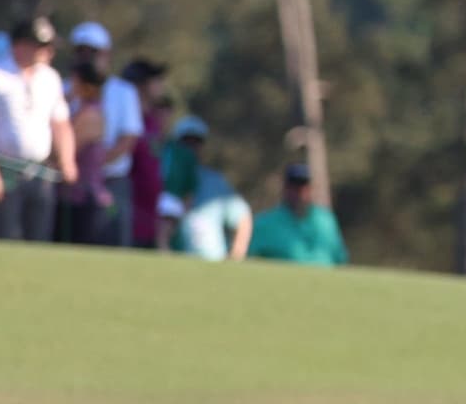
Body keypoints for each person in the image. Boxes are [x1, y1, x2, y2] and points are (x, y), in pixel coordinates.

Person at [0, 16, 79, 242]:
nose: (48, 51)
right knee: (5, 236)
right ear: (21, 45)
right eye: (42, 45)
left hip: (39, 171)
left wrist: (67, 159)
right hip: (4, 168)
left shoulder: (50, 78)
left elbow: (60, 123)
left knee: (39, 237)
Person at [62, 24, 137, 247]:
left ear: (106, 54)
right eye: (80, 51)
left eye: (92, 52)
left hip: (111, 182)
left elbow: (128, 140)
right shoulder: (64, 88)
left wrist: (93, 167)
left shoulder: (124, 91)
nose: (86, 58)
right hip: (72, 185)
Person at [164, 119, 250, 261]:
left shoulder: (215, 181)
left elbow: (242, 217)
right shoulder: (167, 178)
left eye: (196, 142)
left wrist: (236, 255)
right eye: (186, 142)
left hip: (213, 263)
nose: (191, 148)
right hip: (177, 261)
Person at [248, 160, 346, 266]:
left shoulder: (326, 220)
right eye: (294, 187)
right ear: (285, 188)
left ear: (311, 189)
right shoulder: (264, 224)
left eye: (304, 186)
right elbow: (248, 258)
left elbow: (340, 258)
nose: (300, 192)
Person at [118, 60, 169, 247]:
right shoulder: (126, 121)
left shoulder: (152, 121)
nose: (160, 85)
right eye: (155, 80)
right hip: (131, 215)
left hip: (150, 217)